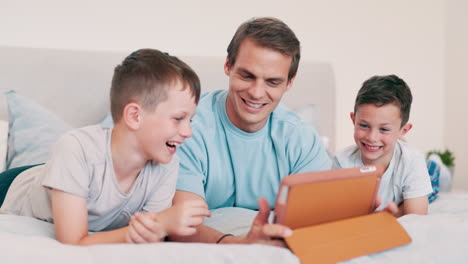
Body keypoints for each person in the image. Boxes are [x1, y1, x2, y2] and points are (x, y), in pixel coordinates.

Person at [130, 17, 330, 246]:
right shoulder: (185, 129)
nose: (256, 92)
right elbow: (182, 225)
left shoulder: (302, 139)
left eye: (272, 82)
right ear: (228, 65)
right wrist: (240, 246)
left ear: (289, 83)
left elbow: (318, 219)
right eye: (247, 75)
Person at [0, 49, 211, 245]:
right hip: (12, 188)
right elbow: (73, 242)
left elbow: (146, 239)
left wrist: (158, 228)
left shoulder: (167, 166)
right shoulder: (76, 148)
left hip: (68, 179)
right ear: (135, 116)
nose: (188, 132)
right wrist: (160, 224)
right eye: (178, 118)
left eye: (190, 121)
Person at [332, 74, 433, 217]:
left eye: (384, 129)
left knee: (432, 181)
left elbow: (417, 216)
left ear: (403, 130)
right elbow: (337, 213)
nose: (372, 138)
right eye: (364, 125)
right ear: (353, 120)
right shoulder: (341, 162)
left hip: (412, 168)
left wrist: (393, 214)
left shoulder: (412, 160)